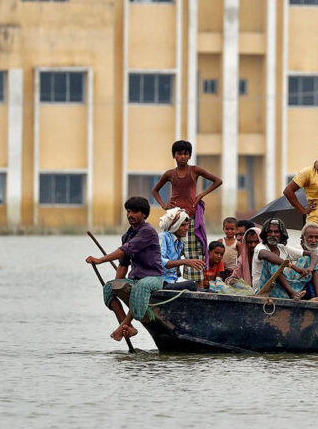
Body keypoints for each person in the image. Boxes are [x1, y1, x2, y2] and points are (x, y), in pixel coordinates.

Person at [85, 196, 166, 341]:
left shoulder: (148, 231)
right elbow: (123, 264)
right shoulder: (127, 236)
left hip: (153, 278)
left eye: (135, 212)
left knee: (141, 286)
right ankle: (127, 327)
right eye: (128, 212)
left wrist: (100, 260)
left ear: (144, 214)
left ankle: (124, 325)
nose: (130, 215)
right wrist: (116, 286)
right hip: (135, 279)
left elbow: (125, 250)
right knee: (109, 288)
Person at [152, 140, 222, 288]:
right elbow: (155, 190)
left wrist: (200, 195)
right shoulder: (170, 174)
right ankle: (167, 284)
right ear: (174, 156)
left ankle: (199, 290)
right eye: (179, 154)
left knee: (194, 253)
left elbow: (217, 181)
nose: (182, 157)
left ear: (189, 156)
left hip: (190, 218)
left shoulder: (195, 170)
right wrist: (164, 205)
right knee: (170, 252)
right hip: (174, 219)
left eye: (185, 154)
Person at [252, 218, 311, 299]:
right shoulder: (260, 247)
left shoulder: (283, 248)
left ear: (281, 234)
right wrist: (294, 267)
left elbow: (312, 255)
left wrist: (310, 268)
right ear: (265, 234)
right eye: (270, 231)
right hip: (263, 290)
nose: (273, 234)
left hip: (280, 288)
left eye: (276, 232)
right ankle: (292, 293)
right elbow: (266, 255)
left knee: (306, 259)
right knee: (274, 261)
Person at [157, 208, 206, 291]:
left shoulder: (179, 242)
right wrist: (186, 261)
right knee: (191, 284)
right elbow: (161, 262)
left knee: (208, 291)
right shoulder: (163, 236)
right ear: (174, 226)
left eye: (187, 225)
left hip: (172, 282)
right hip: (162, 282)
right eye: (183, 225)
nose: (186, 228)